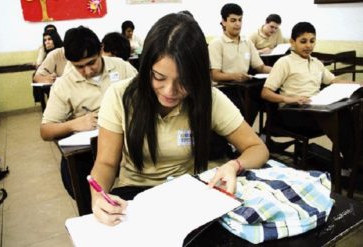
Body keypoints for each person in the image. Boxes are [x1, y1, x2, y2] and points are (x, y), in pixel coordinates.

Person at [90, 13, 269, 226]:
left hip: (190, 193)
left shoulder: (208, 98)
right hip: (136, 196)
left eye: (184, 81)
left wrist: (234, 165)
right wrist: (98, 197)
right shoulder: (119, 96)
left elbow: (258, 148)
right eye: (159, 77)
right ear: (146, 67)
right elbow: (106, 163)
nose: (170, 91)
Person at [40, 26, 137, 200]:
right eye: (79, 66)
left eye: (91, 62)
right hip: (90, 150)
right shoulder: (64, 84)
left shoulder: (121, 67)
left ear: (100, 49)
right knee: (78, 180)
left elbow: (146, 96)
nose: (87, 71)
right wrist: (74, 124)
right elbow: (45, 131)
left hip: (129, 140)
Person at [261, 22, 361, 170]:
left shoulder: (316, 63)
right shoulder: (284, 62)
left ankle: (352, 161)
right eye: (303, 41)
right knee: (336, 118)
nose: (308, 45)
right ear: (292, 42)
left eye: (312, 41)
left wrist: (357, 84)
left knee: (349, 114)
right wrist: (289, 99)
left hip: (314, 107)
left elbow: (333, 80)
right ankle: (353, 164)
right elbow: (265, 93)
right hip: (293, 112)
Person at [208, 3, 271, 83]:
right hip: (223, 88)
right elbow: (215, 75)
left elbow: (261, 68)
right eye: (233, 20)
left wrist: (277, 71)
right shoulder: (216, 44)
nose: (238, 24)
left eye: (240, 20)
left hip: (243, 87)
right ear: (224, 22)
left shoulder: (247, 42)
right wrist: (234, 76)